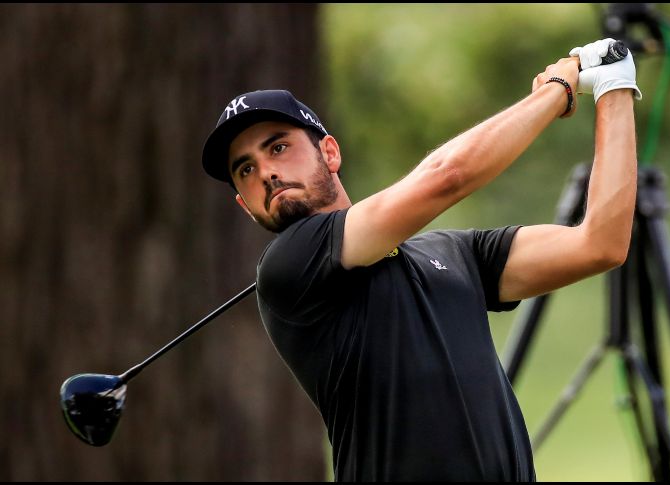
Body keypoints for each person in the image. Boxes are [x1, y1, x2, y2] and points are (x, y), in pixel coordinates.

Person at [201, 38, 642, 481]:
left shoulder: (453, 253)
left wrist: (614, 88)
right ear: (245, 204)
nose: (266, 172)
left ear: (329, 153)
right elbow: (447, 177)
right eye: (246, 169)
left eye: (277, 147)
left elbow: (600, 245)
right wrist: (557, 90)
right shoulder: (287, 267)